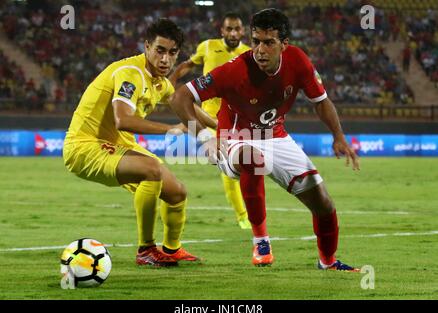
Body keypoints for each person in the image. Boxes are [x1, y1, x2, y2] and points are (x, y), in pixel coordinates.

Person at [170, 8, 361, 271]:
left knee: (324, 203)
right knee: (252, 158)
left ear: (284, 44)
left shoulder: (298, 61)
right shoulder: (235, 70)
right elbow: (179, 97)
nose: (260, 49)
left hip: (276, 136)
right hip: (235, 138)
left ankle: (328, 262)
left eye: (269, 43)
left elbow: (321, 101)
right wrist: (205, 137)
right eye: (256, 41)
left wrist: (338, 136)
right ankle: (261, 241)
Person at [63, 18, 207, 267]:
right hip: (85, 145)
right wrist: (171, 129)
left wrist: (222, 128)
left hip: (117, 145)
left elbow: (185, 106)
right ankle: (146, 249)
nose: (165, 59)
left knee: (176, 192)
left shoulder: (160, 82)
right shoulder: (130, 74)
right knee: (151, 169)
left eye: (172, 53)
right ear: (147, 46)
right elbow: (123, 120)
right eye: (160, 50)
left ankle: (172, 249)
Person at [169, 12, 252, 230]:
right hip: (212, 117)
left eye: (237, 29)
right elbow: (189, 64)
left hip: (239, 118)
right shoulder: (207, 46)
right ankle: (243, 216)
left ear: (242, 31)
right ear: (222, 31)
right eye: (229, 29)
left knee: (248, 165)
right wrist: (173, 79)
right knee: (228, 166)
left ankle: (248, 212)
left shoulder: (250, 53)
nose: (233, 33)